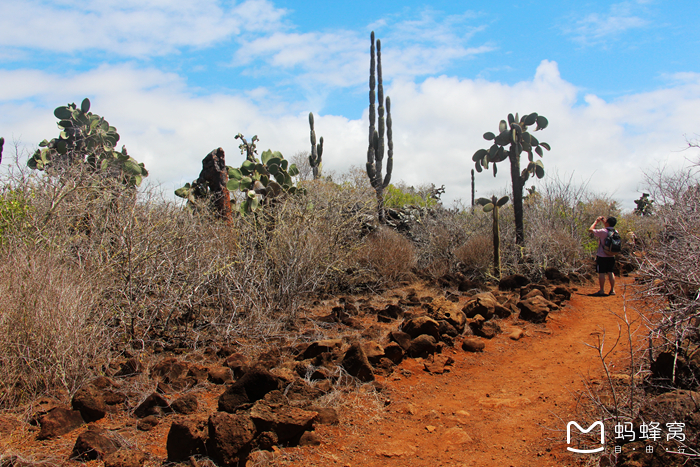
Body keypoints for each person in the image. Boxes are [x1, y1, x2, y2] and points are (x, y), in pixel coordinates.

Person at [588, 216, 617, 296]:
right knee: (610, 272)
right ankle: (612, 290)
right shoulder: (615, 231)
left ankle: (601, 290)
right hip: (611, 255)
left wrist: (596, 222)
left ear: (607, 223)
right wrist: (605, 222)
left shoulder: (603, 231)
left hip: (602, 255)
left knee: (601, 273)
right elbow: (608, 227)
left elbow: (590, 230)